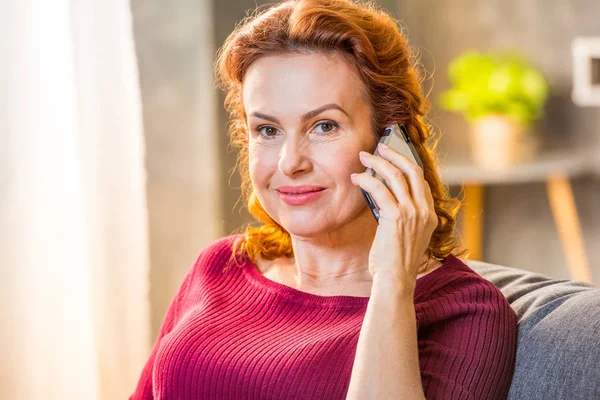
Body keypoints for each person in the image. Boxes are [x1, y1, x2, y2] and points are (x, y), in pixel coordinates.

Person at [130, 0, 518, 399]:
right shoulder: (219, 266)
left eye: (324, 126)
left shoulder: (464, 312)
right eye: (267, 130)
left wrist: (392, 283)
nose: (290, 162)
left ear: (392, 141)